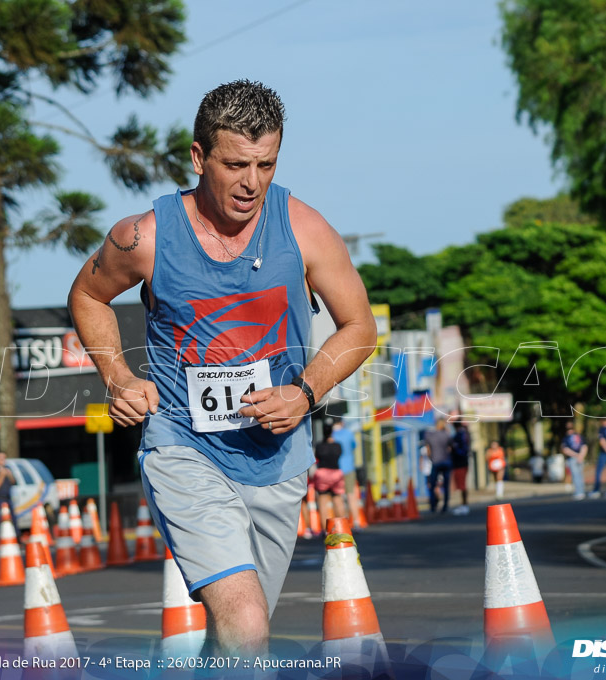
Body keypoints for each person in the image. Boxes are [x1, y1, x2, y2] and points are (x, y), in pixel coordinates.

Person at [67, 80, 376, 655]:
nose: (251, 182)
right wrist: (118, 377)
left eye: (266, 164)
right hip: (182, 445)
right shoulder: (145, 236)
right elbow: (87, 297)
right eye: (235, 164)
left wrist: (303, 394)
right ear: (198, 156)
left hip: (276, 459)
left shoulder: (303, 229)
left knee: (237, 636)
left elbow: (359, 327)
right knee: (247, 620)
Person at [329, 417, 361, 524]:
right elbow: (353, 446)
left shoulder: (331, 436)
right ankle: (356, 522)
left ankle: (343, 524)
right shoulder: (348, 433)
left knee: (338, 498)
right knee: (351, 496)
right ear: (342, 422)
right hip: (349, 469)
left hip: (336, 469)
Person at [314, 427, 348, 521]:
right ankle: (341, 528)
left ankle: (325, 530)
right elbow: (340, 454)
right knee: (338, 500)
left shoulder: (319, 446)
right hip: (336, 474)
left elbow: (317, 457)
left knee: (322, 501)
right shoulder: (337, 445)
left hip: (322, 474)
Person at [425, 418, 452, 513]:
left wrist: (431, 458)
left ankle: (433, 505)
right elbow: (451, 447)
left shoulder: (430, 435)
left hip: (435, 462)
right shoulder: (446, 435)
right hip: (446, 462)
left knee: (432, 485)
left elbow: (428, 450)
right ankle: (445, 506)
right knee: (446, 485)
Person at [449, 421, 472, 515]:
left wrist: (453, 447)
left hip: (460, 463)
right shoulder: (465, 434)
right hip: (462, 462)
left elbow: (461, 450)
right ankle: (464, 505)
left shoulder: (460, 435)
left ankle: (464, 505)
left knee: (462, 485)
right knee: (461, 484)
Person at [561, 422, 588, 500]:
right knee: (580, 475)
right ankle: (582, 491)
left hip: (573, 458)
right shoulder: (579, 436)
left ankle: (579, 492)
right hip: (580, 457)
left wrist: (577, 456)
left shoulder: (566, 438)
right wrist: (581, 456)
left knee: (576, 476)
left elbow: (565, 450)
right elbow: (584, 447)